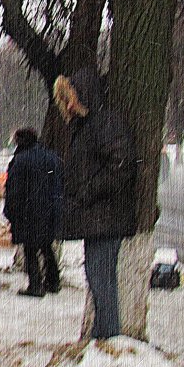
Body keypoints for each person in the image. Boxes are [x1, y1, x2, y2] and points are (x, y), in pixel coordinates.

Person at [54, 67, 138, 339]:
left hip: (106, 216)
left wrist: (90, 190)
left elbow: (122, 165)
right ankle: (103, 336)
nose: (69, 103)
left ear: (85, 94)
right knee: (97, 277)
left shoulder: (105, 123)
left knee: (102, 280)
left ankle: (109, 338)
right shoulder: (87, 127)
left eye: (73, 96)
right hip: (98, 218)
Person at [4, 127, 63, 297]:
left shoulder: (21, 160)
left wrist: (10, 212)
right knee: (46, 246)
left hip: (28, 212)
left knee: (30, 250)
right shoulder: (51, 157)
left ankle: (35, 285)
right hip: (50, 210)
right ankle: (53, 281)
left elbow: (13, 189)